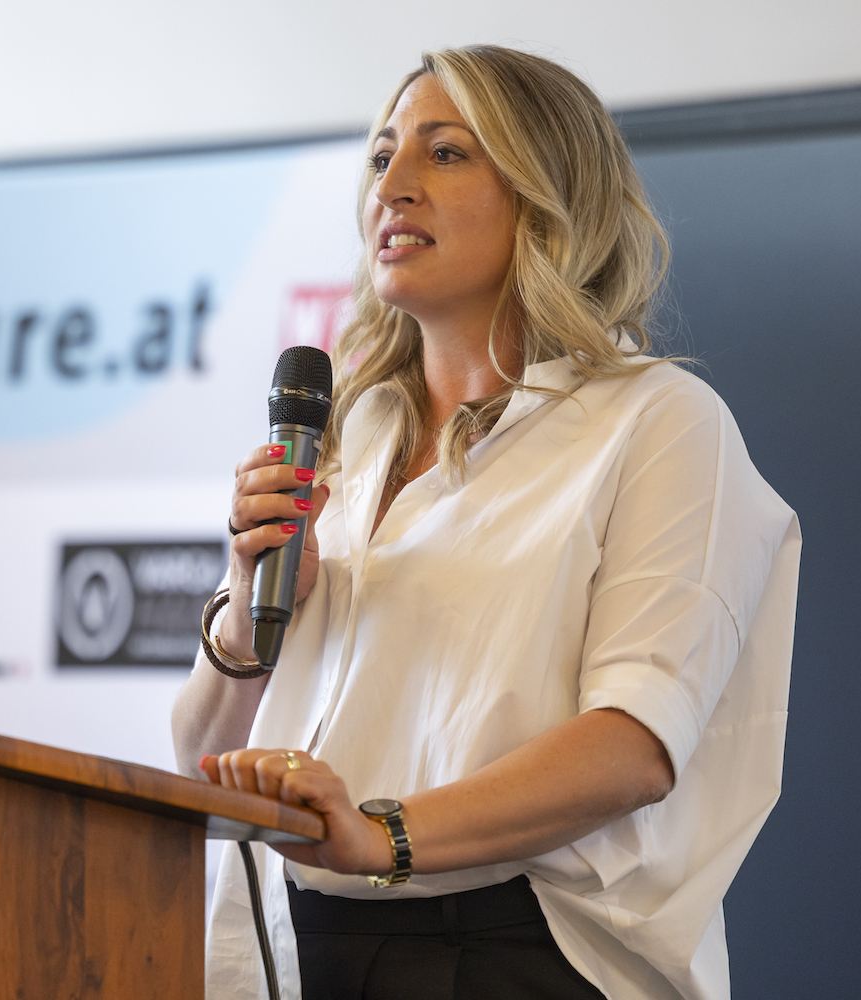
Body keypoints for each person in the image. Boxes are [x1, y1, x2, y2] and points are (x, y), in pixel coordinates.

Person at [171, 45, 801, 1000]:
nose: (394, 185)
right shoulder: (341, 443)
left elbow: (633, 745)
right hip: (288, 951)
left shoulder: (657, 422)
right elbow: (198, 761)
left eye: (446, 152)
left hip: (510, 951)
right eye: (381, 157)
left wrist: (382, 833)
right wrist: (246, 610)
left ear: (548, 196)